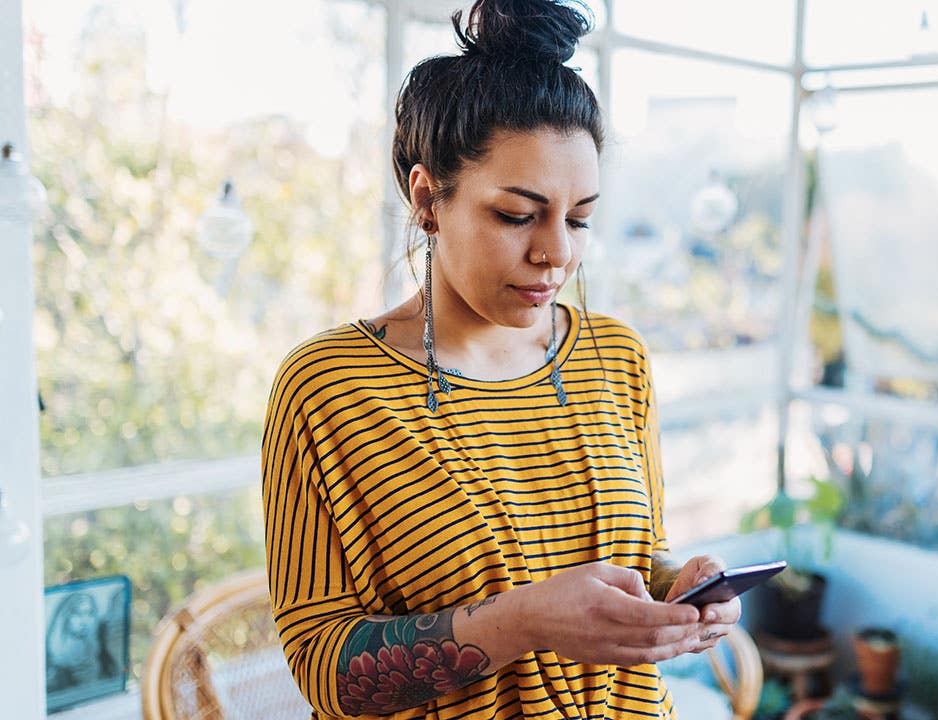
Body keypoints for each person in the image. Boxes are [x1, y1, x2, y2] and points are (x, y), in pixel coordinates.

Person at [260, 1, 741, 718]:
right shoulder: (330, 389)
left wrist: (681, 588)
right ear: (427, 199)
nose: (558, 253)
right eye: (518, 215)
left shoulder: (616, 358)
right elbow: (326, 674)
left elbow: (639, 558)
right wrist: (522, 621)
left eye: (579, 218)